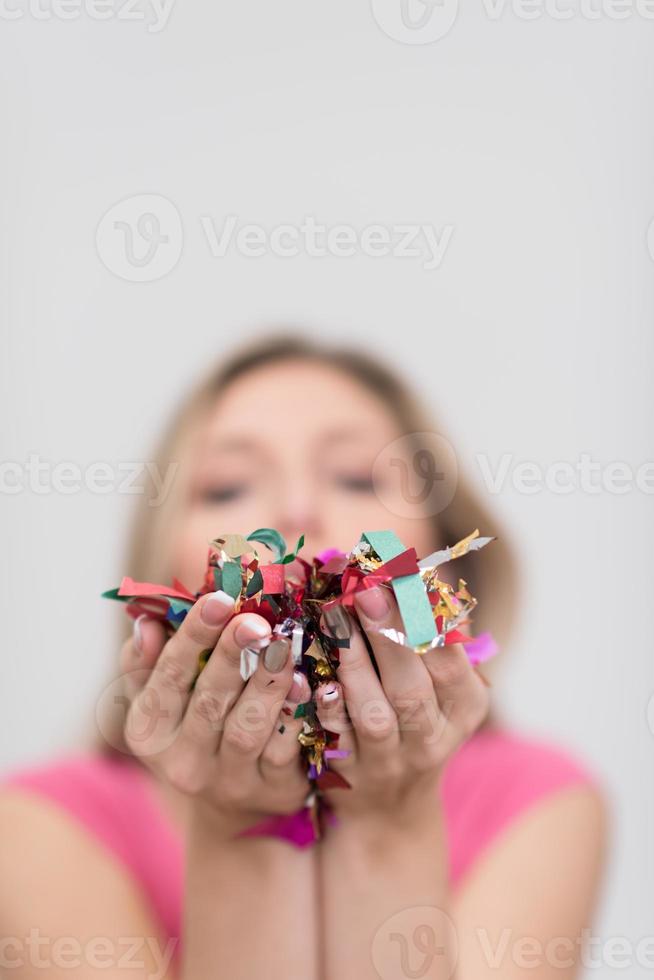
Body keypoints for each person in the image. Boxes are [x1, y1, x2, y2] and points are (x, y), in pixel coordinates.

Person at [0, 334, 606, 979]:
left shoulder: (537, 800)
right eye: (227, 487)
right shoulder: (38, 828)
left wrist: (389, 822)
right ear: (159, 582)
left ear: (441, 555)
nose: (296, 508)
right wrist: (241, 819)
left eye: (354, 476)